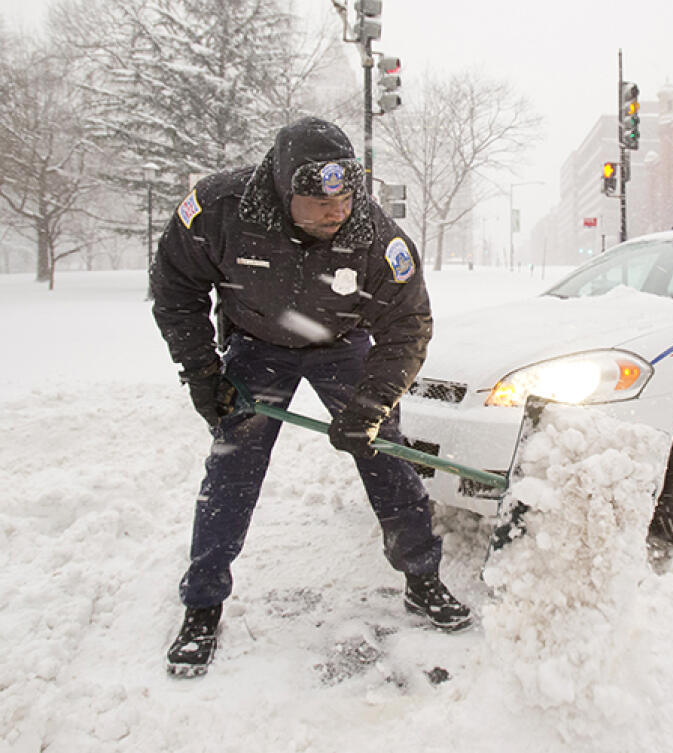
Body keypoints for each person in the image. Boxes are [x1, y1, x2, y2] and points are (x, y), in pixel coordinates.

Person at [150, 117, 471, 677]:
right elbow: (175, 287)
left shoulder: (376, 238)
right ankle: (203, 602)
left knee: (386, 457)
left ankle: (421, 579)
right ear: (281, 190)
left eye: (345, 198)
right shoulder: (218, 209)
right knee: (233, 468)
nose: (336, 213)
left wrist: (370, 407)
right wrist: (203, 373)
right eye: (319, 203)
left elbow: (408, 326)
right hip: (257, 346)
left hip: (341, 346)